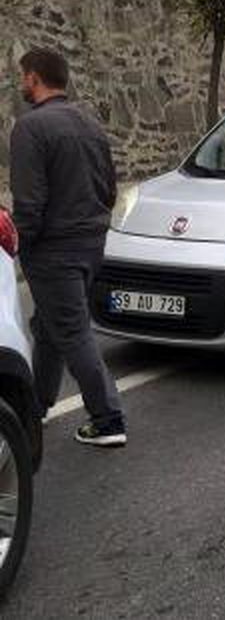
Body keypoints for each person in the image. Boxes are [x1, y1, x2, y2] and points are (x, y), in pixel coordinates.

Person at [10, 48, 126, 446]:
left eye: (23, 75)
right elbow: (109, 189)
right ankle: (36, 407)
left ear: (35, 78)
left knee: (72, 332)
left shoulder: (30, 128)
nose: (20, 82)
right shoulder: (89, 123)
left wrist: (18, 246)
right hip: (91, 243)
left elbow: (29, 203)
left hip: (53, 250)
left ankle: (108, 419)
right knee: (48, 327)